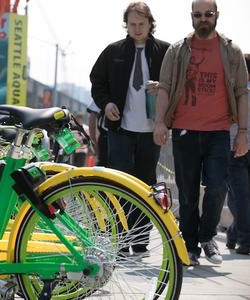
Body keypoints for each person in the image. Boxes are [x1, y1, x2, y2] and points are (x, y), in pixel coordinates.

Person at [153, 0, 249, 266]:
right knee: (187, 194)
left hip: (219, 131)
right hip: (185, 131)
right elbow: (164, 87)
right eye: (198, 15)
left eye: (208, 14)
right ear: (191, 17)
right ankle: (190, 246)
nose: (203, 19)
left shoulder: (231, 51)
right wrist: (160, 123)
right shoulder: (177, 50)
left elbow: (242, 93)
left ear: (217, 15)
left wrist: (242, 132)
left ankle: (207, 237)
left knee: (218, 187)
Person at [90, 1, 169, 256]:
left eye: (141, 24)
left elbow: (177, 84)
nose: (137, 29)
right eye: (132, 24)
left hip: (151, 131)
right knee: (120, 185)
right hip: (120, 130)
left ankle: (141, 238)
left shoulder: (165, 52)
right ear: (127, 24)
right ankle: (121, 239)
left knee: (146, 186)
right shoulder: (113, 51)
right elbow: (97, 82)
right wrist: (107, 103)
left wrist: (162, 89)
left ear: (150, 23)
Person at [226, 54, 250, 255]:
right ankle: (245, 239)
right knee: (241, 197)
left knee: (240, 197)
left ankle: (235, 233)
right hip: (235, 151)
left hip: (233, 148)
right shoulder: (233, 92)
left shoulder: (232, 91)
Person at [86, 100, 108, 166]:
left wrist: (93, 142)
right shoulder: (103, 92)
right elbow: (93, 115)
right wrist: (93, 142)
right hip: (106, 137)